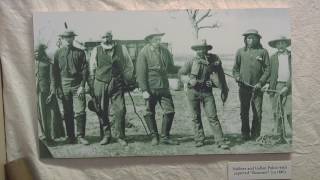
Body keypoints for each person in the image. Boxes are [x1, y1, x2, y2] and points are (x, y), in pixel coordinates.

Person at [179, 40, 229, 148]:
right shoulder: (191, 61)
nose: (201, 50)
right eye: (198, 48)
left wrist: (214, 84)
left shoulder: (213, 61)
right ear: (196, 50)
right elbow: (181, 74)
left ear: (207, 49)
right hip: (193, 92)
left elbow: (219, 76)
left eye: (203, 48)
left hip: (207, 92)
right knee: (195, 117)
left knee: (213, 116)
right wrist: (188, 80)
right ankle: (199, 139)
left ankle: (220, 141)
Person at [89, 31, 134, 146]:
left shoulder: (121, 48)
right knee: (102, 110)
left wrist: (127, 79)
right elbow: (92, 68)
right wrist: (92, 84)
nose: (106, 40)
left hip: (117, 83)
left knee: (120, 110)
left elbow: (129, 65)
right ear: (100, 39)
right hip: (100, 82)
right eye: (103, 37)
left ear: (112, 37)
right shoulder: (96, 50)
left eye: (107, 37)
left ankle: (120, 136)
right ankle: (106, 135)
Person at [136, 31, 179, 146]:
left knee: (170, 110)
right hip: (150, 86)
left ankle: (165, 136)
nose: (158, 41)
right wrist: (144, 90)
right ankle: (154, 136)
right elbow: (140, 72)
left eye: (160, 39)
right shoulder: (143, 52)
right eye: (156, 39)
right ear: (150, 40)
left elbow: (170, 68)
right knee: (149, 112)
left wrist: (184, 69)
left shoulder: (165, 51)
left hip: (164, 86)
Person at [51, 30, 89, 145]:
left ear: (73, 38)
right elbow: (55, 72)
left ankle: (80, 136)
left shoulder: (80, 52)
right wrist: (57, 87)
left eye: (70, 37)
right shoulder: (57, 53)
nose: (68, 39)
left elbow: (85, 70)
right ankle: (70, 136)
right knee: (67, 111)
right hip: (64, 84)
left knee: (80, 110)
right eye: (65, 38)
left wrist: (82, 86)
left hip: (77, 84)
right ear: (62, 39)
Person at [232, 29, 270, 141]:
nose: (251, 40)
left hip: (257, 88)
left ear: (258, 39)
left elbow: (268, 69)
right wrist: (237, 77)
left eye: (253, 38)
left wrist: (261, 82)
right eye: (248, 38)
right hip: (243, 87)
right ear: (245, 39)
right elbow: (235, 69)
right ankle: (245, 133)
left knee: (257, 112)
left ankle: (256, 134)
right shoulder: (240, 52)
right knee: (244, 111)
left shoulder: (263, 52)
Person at [262, 36, 292, 141]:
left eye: (282, 43)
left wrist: (287, 87)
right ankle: (280, 136)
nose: (280, 45)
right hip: (276, 87)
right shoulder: (273, 57)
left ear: (286, 44)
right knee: (277, 112)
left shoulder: (292, 56)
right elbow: (269, 73)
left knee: (289, 112)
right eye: (278, 44)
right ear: (275, 46)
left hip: (290, 87)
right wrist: (267, 84)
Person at [35, 43, 65, 146]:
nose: (35, 54)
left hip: (47, 93)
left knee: (50, 115)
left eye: (37, 52)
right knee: (40, 115)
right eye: (34, 52)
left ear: (42, 52)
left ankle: (51, 137)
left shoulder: (48, 64)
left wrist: (52, 93)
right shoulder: (33, 63)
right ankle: (43, 135)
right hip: (37, 93)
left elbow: (53, 79)